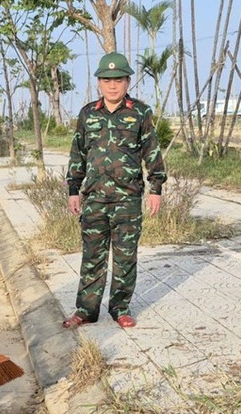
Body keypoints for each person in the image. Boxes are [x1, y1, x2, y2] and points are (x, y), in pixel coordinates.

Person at [63, 52, 167, 330]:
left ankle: (120, 307)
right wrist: (73, 188)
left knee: (125, 257)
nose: (112, 85)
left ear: (127, 81)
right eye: (107, 80)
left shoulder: (140, 112)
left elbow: (152, 150)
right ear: (99, 82)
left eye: (118, 79)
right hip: (94, 198)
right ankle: (86, 309)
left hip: (127, 198)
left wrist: (155, 187)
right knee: (92, 256)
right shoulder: (87, 114)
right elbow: (78, 153)